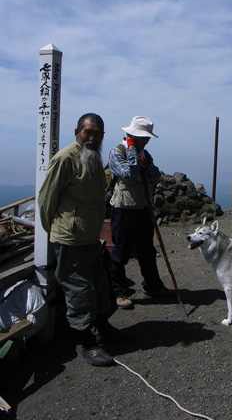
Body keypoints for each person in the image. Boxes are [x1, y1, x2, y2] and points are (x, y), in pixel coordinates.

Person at [38, 113, 121, 367]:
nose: (93, 137)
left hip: (90, 238)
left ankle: (103, 327)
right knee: (79, 290)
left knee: (100, 285)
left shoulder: (94, 158)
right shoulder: (65, 159)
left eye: (98, 133)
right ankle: (86, 341)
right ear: (77, 132)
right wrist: (56, 232)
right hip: (70, 239)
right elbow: (45, 201)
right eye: (88, 132)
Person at [108, 116, 174, 310]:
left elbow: (155, 176)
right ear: (133, 136)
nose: (148, 140)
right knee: (120, 252)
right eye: (145, 137)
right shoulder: (117, 152)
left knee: (147, 250)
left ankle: (153, 286)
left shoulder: (145, 153)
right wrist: (131, 152)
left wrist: (145, 163)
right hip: (123, 209)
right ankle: (118, 292)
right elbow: (130, 175)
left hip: (143, 208)